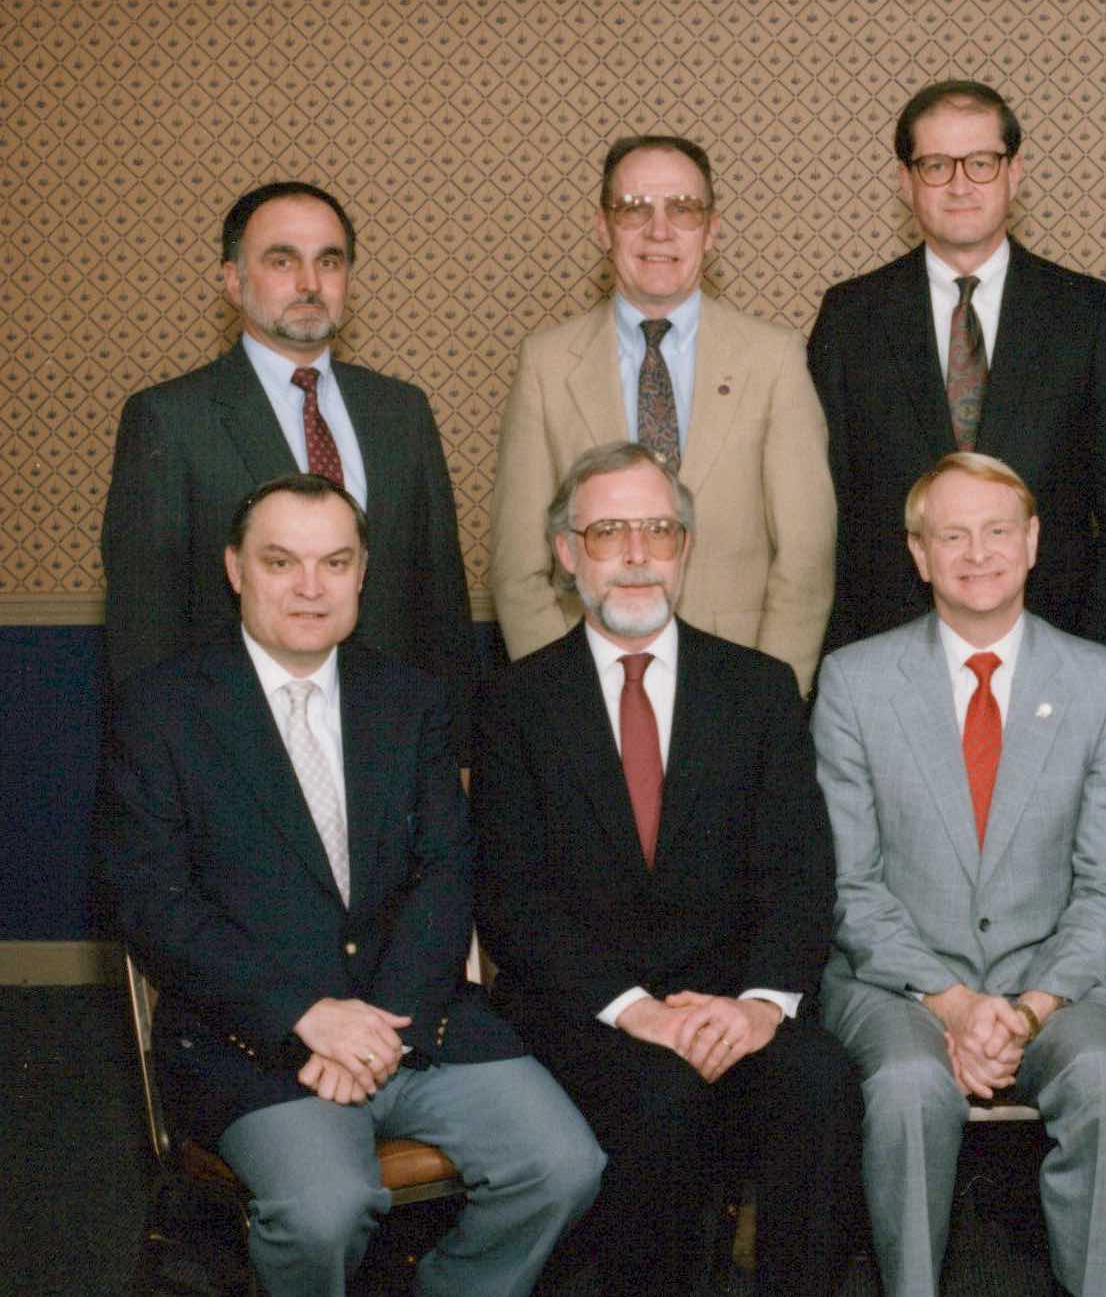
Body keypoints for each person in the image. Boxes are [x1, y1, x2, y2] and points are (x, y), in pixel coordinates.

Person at [95, 474, 604, 1297]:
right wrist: (305, 1017)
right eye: (280, 561)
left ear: (362, 572)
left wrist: (387, 1029)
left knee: (564, 1166)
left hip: (414, 1018)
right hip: (250, 1037)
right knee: (324, 1209)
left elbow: (448, 870)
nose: (309, 586)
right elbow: (152, 904)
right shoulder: (162, 710)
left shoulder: (410, 701)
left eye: (335, 562)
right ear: (235, 569)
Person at [472, 441, 859, 1294]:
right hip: (585, 1009)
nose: (638, 554)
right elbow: (510, 899)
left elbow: (801, 872)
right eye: (609, 532)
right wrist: (634, 1011)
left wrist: (760, 1007)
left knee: (821, 1085)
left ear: (686, 547)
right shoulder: (512, 702)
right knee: (661, 1101)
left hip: (731, 1001)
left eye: (659, 529)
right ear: (567, 554)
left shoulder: (760, 690)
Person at [813, 452, 1106, 1296]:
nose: (978, 553)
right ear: (918, 553)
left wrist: (1028, 1008)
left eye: (998, 531)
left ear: (1034, 542)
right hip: (899, 985)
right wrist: (956, 1004)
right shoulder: (854, 682)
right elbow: (849, 885)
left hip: (1060, 983)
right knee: (905, 1088)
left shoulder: (1101, 680)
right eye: (952, 535)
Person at [810, 80, 1106, 675]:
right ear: (906, 181)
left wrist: (1098, 657)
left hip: (1058, 648)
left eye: (981, 162)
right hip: (888, 658)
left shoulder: (1085, 312)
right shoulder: (850, 319)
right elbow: (822, 510)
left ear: (1014, 172)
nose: (961, 183)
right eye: (936, 165)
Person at [102, 181, 474, 721]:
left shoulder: (400, 411)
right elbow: (144, 627)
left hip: (390, 740)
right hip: (234, 740)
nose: (309, 283)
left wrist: (455, 746)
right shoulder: (170, 419)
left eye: (329, 261)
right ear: (232, 280)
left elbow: (441, 602)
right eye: (282, 261)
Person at [488, 135, 834, 691]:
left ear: (712, 228)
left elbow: (805, 561)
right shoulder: (546, 364)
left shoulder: (775, 359)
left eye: (683, 209)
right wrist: (563, 699)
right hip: (588, 682)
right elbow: (517, 568)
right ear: (602, 227)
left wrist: (770, 698)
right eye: (633, 209)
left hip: (735, 682)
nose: (659, 231)